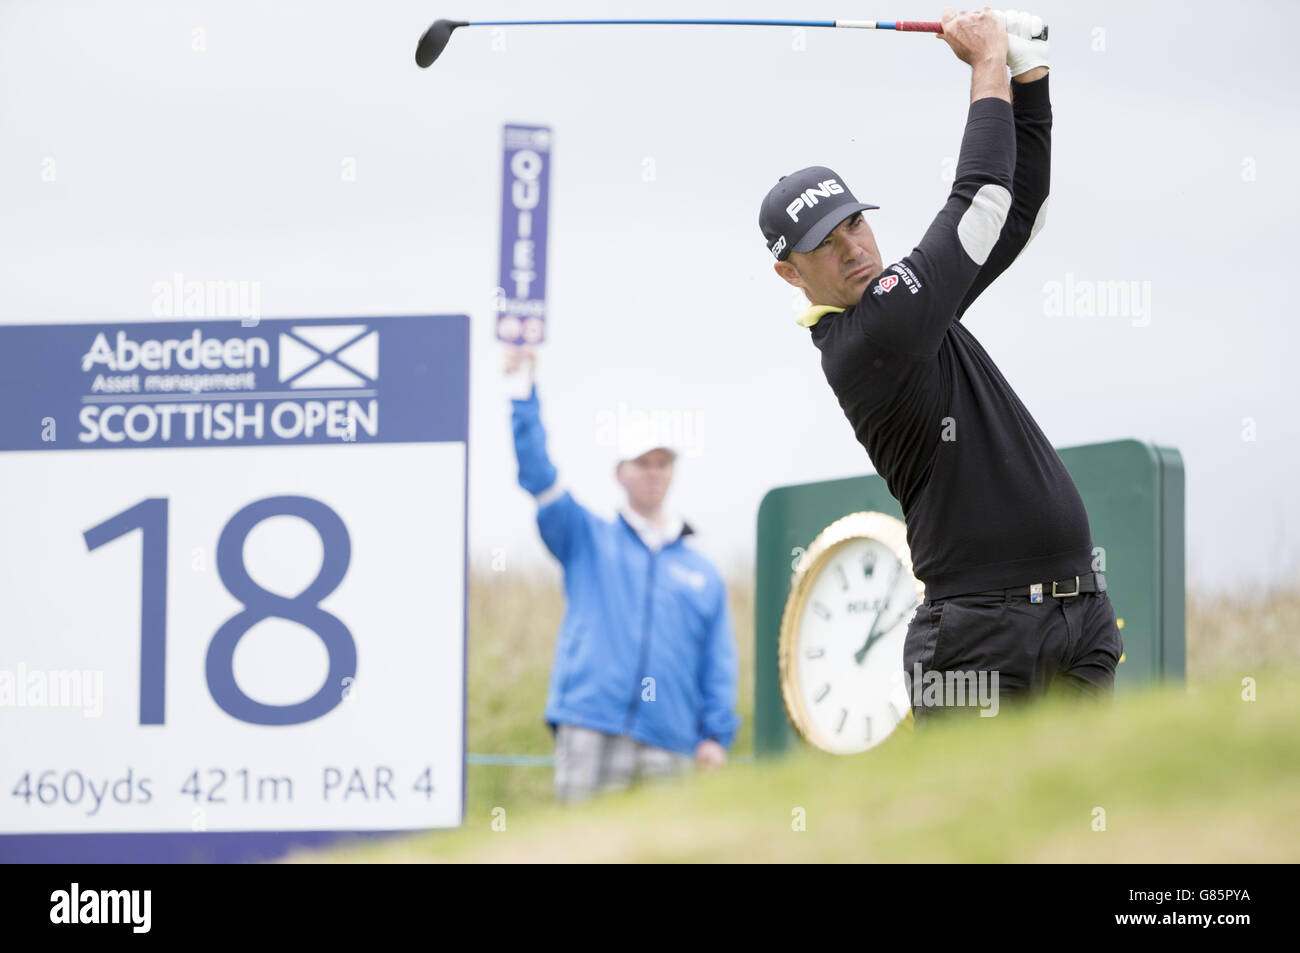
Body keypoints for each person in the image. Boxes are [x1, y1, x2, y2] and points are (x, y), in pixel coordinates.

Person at [758, 8, 1123, 724]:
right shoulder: (870, 337)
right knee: (987, 837)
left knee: (1085, 832)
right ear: (790, 275)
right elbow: (978, 200)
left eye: (854, 223)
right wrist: (987, 64)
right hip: (977, 641)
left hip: (1079, 615)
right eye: (824, 244)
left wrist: (1029, 70)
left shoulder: (911, 306)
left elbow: (1017, 210)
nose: (854, 248)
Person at [504, 345, 740, 799]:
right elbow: (538, 474)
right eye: (643, 464)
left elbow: (718, 662)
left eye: (663, 464)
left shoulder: (702, 572)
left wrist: (715, 735)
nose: (653, 474)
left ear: (672, 472)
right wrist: (523, 393)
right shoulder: (585, 537)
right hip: (590, 725)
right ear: (620, 473)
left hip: (670, 740)